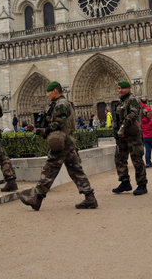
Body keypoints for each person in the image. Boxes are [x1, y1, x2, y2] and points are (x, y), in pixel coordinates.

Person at [18, 81, 98, 210]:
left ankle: (36, 198)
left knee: (49, 169)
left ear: (55, 91)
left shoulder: (61, 104)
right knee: (75, 170)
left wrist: (43, 131)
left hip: (61, 141)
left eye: (49, 92)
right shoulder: (63, 103)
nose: (48, 95)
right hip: (68, 140)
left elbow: (57, 124)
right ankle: (90, 198)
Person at [112, 80, 147, 196]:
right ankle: (125, 182)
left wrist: (122, 127)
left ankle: (142, 185)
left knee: (136, 159)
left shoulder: (133, 99)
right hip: (122, 136)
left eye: (122, 88)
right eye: (119, 88)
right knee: (119, 158)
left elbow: (133, 114)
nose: (120, 90)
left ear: (129, 88)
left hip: (132, 134)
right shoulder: (120, 102)